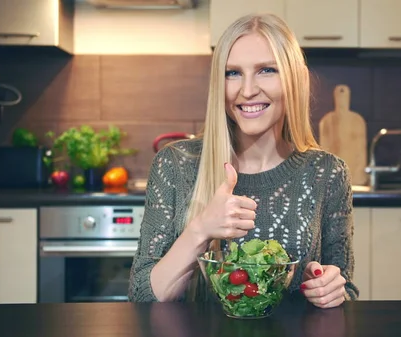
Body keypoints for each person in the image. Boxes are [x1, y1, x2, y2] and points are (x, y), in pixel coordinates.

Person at [128, 12, 358, 308]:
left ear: (294, 79)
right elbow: (141, 297)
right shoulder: (175, 164)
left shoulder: (327, 173)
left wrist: (331, 290)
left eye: (266, 70)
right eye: (232, 73)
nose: (247, 90)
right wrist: (201, 229)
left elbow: (346, 290)